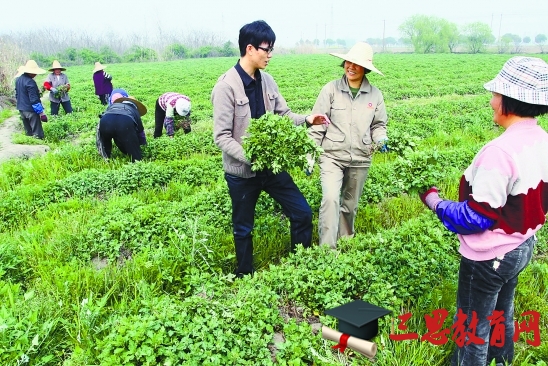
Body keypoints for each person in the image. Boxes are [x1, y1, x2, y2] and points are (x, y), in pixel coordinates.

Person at [419, 56, 548, 366]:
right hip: (522, 246)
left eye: (495, 95)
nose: (491, 102)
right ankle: (500, 360)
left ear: (509, 101)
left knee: (472, 326)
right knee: (502, 312)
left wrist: (434, 201)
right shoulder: (542, 140)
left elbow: (476, 217)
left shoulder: (499, 152)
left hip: (490, 256)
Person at [211, 20, 330, 278]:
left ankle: (300, 265)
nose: (270, 54)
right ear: (250, 48)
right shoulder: (226, 87)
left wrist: (307, 119)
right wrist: (251, 155)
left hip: (271, 168)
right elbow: (221, 137)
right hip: (242, 173)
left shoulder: (268, 81)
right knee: (243, 228)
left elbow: (283, 114)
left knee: (301, 213)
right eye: (267, 49)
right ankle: (245, 275)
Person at [308, 42, 388, 249]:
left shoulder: (375, 95)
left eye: (357, 64)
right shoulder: (331, 89)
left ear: (365, 69)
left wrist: (380, 138)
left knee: (349, 206)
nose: (351, 67)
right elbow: (318, 124)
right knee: (331, 199)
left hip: (361, 157)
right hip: (332, 156)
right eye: (348, 63)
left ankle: (345, 243)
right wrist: (310, 155)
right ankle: (327, 250)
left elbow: (378, 124)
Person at [97, 96, 147, 162]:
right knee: (132, 144)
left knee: (105, 141)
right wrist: (142, 143)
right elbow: (140, 131)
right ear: (135, 105)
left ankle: (106, 158)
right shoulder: (134, 110)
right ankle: (136, 161)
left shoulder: (113, 105)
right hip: (124, 121)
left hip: (105, 121)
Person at [15, 60, 48, 139]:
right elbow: (34, 100)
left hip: (21, 109)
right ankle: (39, 148)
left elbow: (17, 95)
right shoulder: (30, 82)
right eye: (34, 72)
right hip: (30, 110)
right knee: (37, 133)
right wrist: (41, 113)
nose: (35, 74)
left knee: (28, 132)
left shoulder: (18, 80)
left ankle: (29, 145)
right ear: (30, 72)